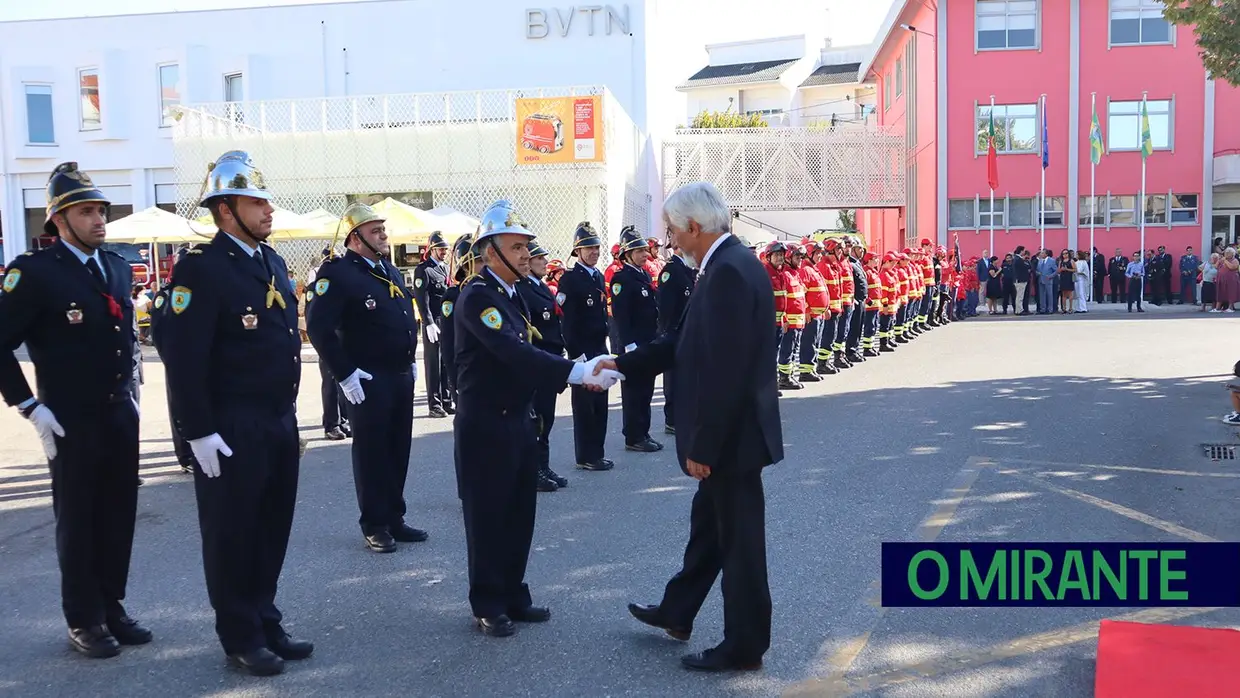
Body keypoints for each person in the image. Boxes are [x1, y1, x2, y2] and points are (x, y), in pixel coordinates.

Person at [598, 182, 780, 672]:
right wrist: (619, 364)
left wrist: (704, 446)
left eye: (674, 232)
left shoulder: (725, 273)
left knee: (740, 548)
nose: (670, 241)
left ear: (695, 228)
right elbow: (681, 342)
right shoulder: (726, 265)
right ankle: (678, 611)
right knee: (709, 531)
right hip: (737, 436)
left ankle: (743, 647)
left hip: (730, 442)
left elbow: (724, 373)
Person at [154, 150, 311, 676]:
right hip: (230, 424)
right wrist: (196, 431)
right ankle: (239, 634)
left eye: (267, 200)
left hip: (276, 420)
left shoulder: (270, 263)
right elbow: (183, 355)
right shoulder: (201, 270)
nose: (268, 210)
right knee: (232, 532)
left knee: (271, 527)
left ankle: (265, 616)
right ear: (225, 210)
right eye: (255, 202)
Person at [0, 162, 148, 658]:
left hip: (118, 410)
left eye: (101, 210)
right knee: (79, 518)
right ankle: (83, 618)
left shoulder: (117, 267)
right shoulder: (35, 273)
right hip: (69, 417)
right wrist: (27, 405)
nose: (99, 220)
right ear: (59, 220)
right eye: (86, 212)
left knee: (118, 514)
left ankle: (112, 606)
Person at [453, 199, 621, 638]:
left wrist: (580, 364)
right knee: (489, 516)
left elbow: (538, 347)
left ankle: (513, 594)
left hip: (517, 419)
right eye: (516, 246)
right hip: (486, 424)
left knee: (518, 513)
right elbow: (513, 351)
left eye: (527, 245)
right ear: (490, 253)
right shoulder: (477, 297)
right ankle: (488, 602)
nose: (527, 253)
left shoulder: (513, 293)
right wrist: (578, 371)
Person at [306, 202, 424, 554]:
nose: (383, 235)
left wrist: (410, 357)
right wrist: (344, 373)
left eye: (383, 229)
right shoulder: (338, 274)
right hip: (368, 378)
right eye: (375, 230)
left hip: (400, 374)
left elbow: (402, 313)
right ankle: (374, 523)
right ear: (355, 238)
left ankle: (394, 517)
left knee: (398, 448)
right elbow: (318, 328)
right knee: (373, 453)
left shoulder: (386, 268)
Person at [556, 222, 614, 471]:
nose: (594, 252)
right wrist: (576, 356)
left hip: (599, 348)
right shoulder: (570, 279)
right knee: (585, 407)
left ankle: (597, 453)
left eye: (596, 247)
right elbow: (567, 322)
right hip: (583, 352)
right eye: (588, 247)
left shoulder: (598, 276)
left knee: (600, 404)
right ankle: (585, 455)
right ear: (577, 252)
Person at [517, 238, 571, 492]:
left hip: (551, 358)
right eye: (538, 259)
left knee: (546, 417)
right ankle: (534, 470)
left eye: (543, 258)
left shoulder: (541, 286)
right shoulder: (523, 288)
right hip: (539, 360)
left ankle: (544, 465)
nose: (543, 262)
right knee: (537, 418)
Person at [610, 225, 663, 453]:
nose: (644, 254)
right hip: (634, 345)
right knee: (634, 392)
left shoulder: (642, 275)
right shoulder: (622, 279)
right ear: (627, 255)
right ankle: (633, 435)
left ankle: (643, 432)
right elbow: (622, 316)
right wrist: (629, 345)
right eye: (639, 251)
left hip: (648, 341)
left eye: (644, 250)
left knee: (646, 390)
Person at [655, 241, 696, 434]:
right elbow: (667, 307)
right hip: (676, 334)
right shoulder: (671, 271)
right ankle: (672, 419)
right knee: (674, 378)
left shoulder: (688, 269)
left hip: (689, 333)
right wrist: (669, 334)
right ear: (678, 248)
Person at [413, 231, 452, 418]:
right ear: (432, 250)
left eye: (445, 248)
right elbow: (422, 298)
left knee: (446, 362)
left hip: (445, 321)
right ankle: (434, 404)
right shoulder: (423, 269)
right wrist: (427, 322)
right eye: (440, 249)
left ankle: (446, 399)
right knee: (433, 363)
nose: (444, 252)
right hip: (433, 321)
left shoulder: (446, 268)